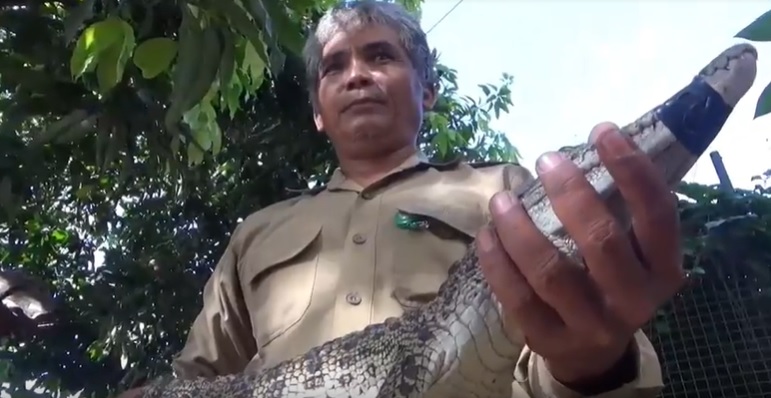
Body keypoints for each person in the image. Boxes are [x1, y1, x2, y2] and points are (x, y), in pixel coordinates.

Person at [120, 1, 684, 396]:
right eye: (335, 67)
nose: (357, 76)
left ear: (428, 90)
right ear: (318, 112)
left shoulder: (504, 193)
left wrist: (589, 368)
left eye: (381, 57)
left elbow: (583, 340)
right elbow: (198, 380)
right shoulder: (255, 234)